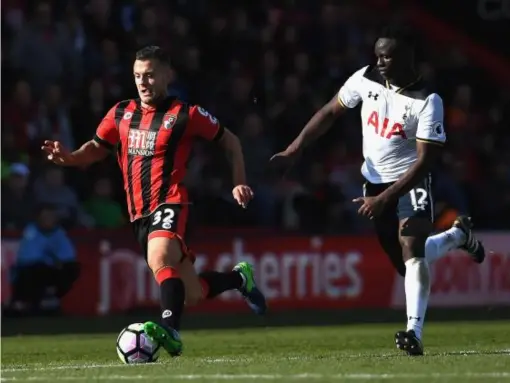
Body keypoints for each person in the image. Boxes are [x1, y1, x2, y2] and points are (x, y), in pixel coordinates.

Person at [270, 25, 485, 356]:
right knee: (407, 260)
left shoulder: (427, 100)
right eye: (377, 55)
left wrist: (386, 199)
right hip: (374, 181)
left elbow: (426, 162)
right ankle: (457, 237)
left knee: (412, 246)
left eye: (387, 56)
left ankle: (414, 331)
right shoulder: (365, 78)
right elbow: (329, 111)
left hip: (411, 179)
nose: (380, 62)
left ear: (406, 57)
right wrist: (293, 150)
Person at [42, 46, 266, 356]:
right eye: (137, 76)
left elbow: (231, 141)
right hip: (139, 215)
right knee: (193, 294)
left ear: (167, 75)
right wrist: (68, 158)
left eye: (149, 75)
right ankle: (240, 278)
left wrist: (239, 181)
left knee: (159, 258)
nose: (143, 82)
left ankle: (171, 331)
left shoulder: (186, 114)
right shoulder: (121, 113)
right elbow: (96, 147)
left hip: (172, 203)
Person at [9, 204, 80, 315]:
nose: (49, 220)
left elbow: (68, 256)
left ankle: (52, 301)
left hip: (51, 269)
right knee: (36, 270)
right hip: (29, 271)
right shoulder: (31, 232)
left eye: (51, 216)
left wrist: (55, 261)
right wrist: (51, 260)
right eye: (45, 217)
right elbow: (28, 258)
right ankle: (27, 305)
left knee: (72, 268)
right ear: (38, 218)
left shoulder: (59, 233)